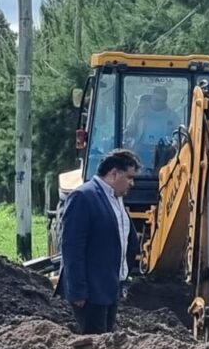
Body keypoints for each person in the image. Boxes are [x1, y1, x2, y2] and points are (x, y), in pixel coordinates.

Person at [56, 149, 141, 334]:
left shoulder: (116, 200)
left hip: (110, 288)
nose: (131, 183)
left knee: (106, 347)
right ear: (113, 173)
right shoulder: (83, 197)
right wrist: (78, 290)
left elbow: (126, 239)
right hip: (90, 293)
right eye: (129, 177)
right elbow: (72, 247)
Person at [127, 86, 180, 172]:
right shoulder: (139, 112)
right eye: (156, 100)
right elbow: (130, 128)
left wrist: (174, 143)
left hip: (163, 151)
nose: (159, 103)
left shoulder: (172, 116)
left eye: (162, 101)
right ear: (151, 98)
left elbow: (178, 133)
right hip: (141, 148)